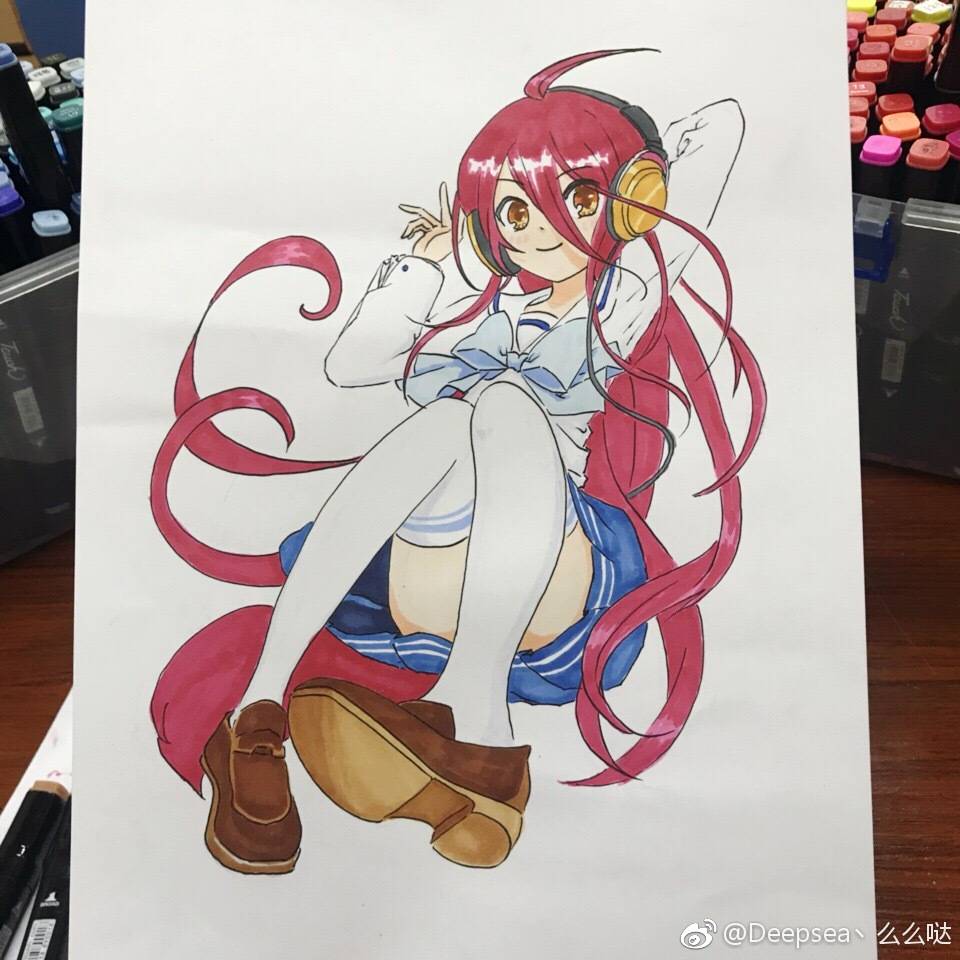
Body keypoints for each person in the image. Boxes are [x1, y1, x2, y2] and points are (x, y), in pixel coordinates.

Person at [149, 48, 764, 876]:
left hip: (550, 567)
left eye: (577, 199)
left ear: (630, 202)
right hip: (432, 566)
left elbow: (722, 126)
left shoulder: (627, 293)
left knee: (501, 400)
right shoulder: (478, 302)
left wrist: (621, 173)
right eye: (514, 209)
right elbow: (349, 366)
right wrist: (434, 264)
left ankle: (471, 705)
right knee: (449, 416)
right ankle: (267, 706)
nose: (540, 229)